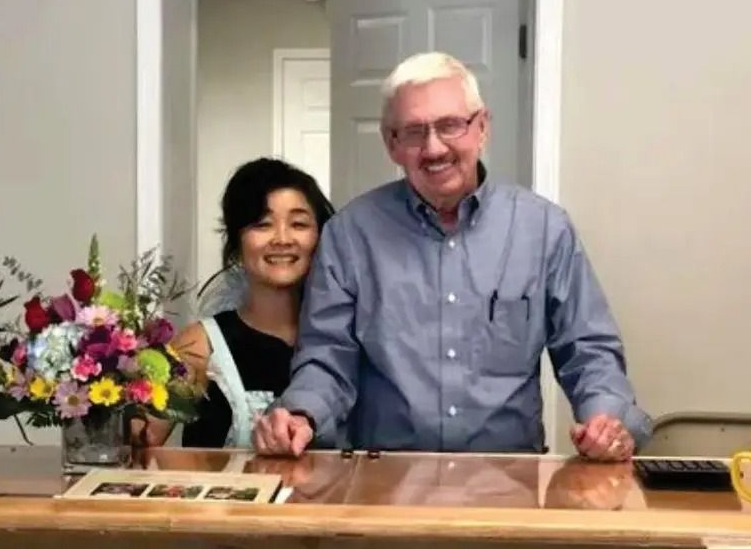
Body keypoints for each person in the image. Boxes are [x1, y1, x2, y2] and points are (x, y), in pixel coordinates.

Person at [252, 51, 650, 461]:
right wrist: (301, 414)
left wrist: (605, 419)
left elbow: (588, 349)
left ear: (481, 128)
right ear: (392, 144)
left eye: (450, 126)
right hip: (383, 485)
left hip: (510, 485)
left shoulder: (544, 229)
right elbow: (327, 356)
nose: (434, 147)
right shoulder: (351, 236)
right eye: (413, 132)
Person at [135, 158, 335, 449]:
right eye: (262, 224)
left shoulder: (341, 343)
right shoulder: (200, 346)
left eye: (299, 223)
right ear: (236, 242)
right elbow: (140, 439)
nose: (282, 239)